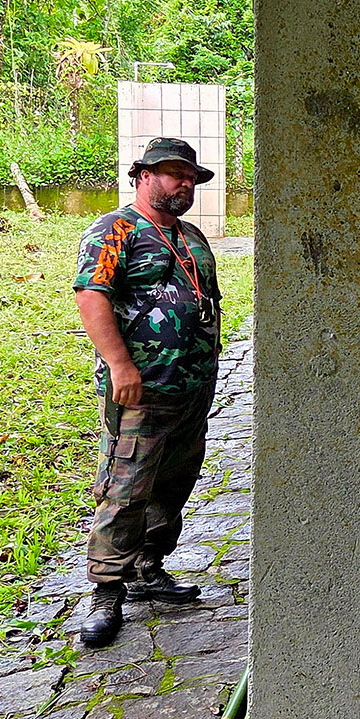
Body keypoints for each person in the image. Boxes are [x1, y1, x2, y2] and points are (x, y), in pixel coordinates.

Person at [72, 137, 224, 649]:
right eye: (174, 174)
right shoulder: (115, 230)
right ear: (142, 176)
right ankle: (106, 591)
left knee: (173, 481)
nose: (185, 184)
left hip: (191, 386)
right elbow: (91, 295)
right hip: (142, 387)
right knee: (126, 486)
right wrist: (119, 364)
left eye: (191, 177)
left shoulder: (191, 235)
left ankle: (147, 567)